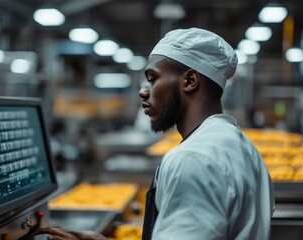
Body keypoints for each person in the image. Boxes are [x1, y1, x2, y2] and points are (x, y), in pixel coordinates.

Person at [38, 28, 275, 240]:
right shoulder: (243, 148)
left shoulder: (192, 159)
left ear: (190, 80)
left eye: (152, 79)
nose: (143, 91)